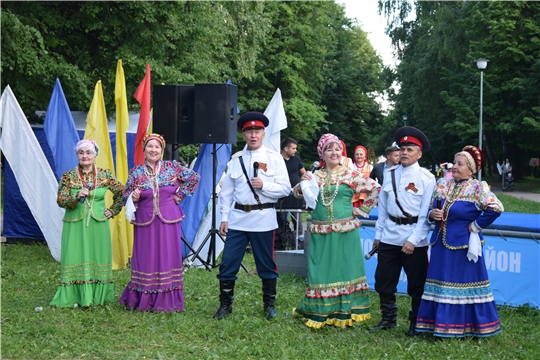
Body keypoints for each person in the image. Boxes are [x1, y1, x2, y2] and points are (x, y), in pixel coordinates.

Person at [292, 133, 381, 329]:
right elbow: (297, 193)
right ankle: (321, 309)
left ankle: (347, 309)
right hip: (320, 230)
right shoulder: (316, 175)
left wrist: (361, 210)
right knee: (321, 269)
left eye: (338, 148)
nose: (334, 152)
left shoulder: (350, 174)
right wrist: (304, 181)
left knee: (345, 268)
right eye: (329, 149)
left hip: (345, 230)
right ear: (321, 154)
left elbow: (376, 189)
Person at [416, 145, 504, 337]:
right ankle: (436, 324)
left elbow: (496, 207)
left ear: (471, 169)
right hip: (440, 244)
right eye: (454, 162)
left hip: (464, 247)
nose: (454, 166)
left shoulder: (478, 188)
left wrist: (476, 225)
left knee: (463, 284)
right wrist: (432, 214)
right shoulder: (442, 184)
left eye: (459, 164)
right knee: (440, 284)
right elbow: (430, 208)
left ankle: (468, 326)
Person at [213, 112, 291, 320]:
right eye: (249, 132)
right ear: (244, 134)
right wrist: (224, 218)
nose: (253, 135)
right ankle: (225, 306)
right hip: (238, 219)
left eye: (257, 131)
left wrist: (264, 185)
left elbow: (285, 188)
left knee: (266, 264)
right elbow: (227, 193)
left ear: (263, 133)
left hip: (263, 219)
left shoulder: (274, 158)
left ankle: (269, 306)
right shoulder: (236, 160)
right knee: (228, 263)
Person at [119, 134, 200, 312]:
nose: (153, 150)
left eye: (157, 147)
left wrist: (181, 194)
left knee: (167, 255)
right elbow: (125, 196)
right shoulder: (136, 173)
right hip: (145, 220)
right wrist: (133, 197)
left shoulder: (172, 167)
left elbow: (194, 178)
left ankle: (167, 299)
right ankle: (143, 298)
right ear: (144, 150)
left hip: (168, 219)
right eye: (150, 147)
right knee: (146, 256)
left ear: (162, 150)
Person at [370, 126, 436, 336]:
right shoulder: (388, 174)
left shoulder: (427, 178)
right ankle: (388, 319)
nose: (405, 152)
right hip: (389, 235)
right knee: (384, 280)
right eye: (403, 148)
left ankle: (416, 323)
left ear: (419, 153)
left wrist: (414, 240)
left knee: (417, 284)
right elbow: (382, 209)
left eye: (410, 149)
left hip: (413, 239)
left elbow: (426, 215)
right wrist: (378, 236)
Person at [51, 139, 124, 308]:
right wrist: (75, 197)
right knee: (74, 255)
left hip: (98, 223)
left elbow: (123, 193)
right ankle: (74, 295)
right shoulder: (68, 176)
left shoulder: (105, 175)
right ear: (77, 154)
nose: (85, 156)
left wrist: (112, 210)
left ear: (95, 154)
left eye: (88, 152)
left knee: (96, 255)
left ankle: (98, 296)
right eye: (81, 152)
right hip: (75, 223)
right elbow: (60, 200)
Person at [276, 138, 306, 249]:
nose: (295, 150)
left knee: (297, 221)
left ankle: (299, 244)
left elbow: (304, 174)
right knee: (282, 220)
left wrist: (305, 184)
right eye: (293, 148)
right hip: (282, 196)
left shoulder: (297, 159)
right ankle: (283, 242)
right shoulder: (277, 160)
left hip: (296, 195)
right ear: (286, 148)